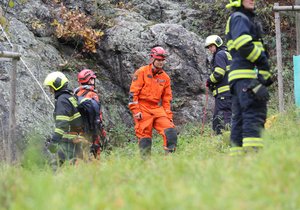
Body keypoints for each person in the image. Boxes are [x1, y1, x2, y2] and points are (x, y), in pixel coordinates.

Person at [225, 0, 273, 155]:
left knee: (239, 119)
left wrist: (265, 76)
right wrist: (263, 62)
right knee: (254, 114)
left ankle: (237, 160)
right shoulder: (240, 17)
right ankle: (254, 156)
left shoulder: (238, 17)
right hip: (248, 77)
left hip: (239, 78)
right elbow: (243, 44)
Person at [128, 46, 177, 158]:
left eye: (162, 60)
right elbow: (133, 93)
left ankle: (169, 161)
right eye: (158, 60)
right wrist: (136, 110)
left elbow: (166, 99)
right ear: (152, 59)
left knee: (170, 132)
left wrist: (168, 115)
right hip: (142, 108)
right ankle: (146, 164)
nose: (160, 62)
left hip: (156, 108)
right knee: (145, 137)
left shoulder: (165, 78)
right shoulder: (142, 72)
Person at [43, 71, 84, 166]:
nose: (50, 90)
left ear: (56, 85)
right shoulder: (70, 97)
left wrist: (54, 142)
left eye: (50, 87)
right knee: (75, 166)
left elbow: (62, 125)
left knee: (54, 166)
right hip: (76, 138)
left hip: (68, 141)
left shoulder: (62, 100)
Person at [74, 69, 107, 159]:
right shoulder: (92, 95)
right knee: (95, 151)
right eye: (93, 79)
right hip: (92, 129)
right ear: (90, 80)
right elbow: (97, 114)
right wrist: (101, 131)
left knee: (81, 154)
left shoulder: (76, 94)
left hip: (79, 129)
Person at [205, 35, 232, 135]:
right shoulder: (227, 54)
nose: (210, 49)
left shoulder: (219, 55)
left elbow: (219, 73)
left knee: (222, 118)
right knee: (223, 117)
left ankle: (224, 140)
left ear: (217, 44)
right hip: (230, 93)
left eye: (211, 46)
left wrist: (209, 81)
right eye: (208, 47)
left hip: (224, 95)